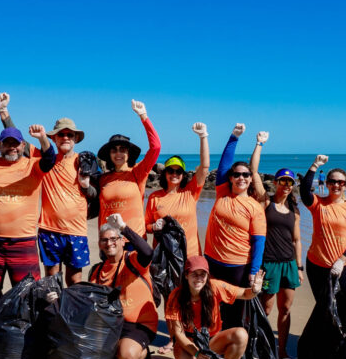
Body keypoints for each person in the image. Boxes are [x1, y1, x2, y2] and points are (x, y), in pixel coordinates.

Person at [0, 93, 56, 306]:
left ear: (23, 146)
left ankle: (23, 322)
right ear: (0, 145)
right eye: (7, 144)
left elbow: (50, 158)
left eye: (16, 144)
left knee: (27, 290)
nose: (12, 147)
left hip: (24, 241)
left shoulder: (33, 166)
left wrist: (42, 138)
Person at [203, 123, 267, 328]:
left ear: (250, 179)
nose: (241, 178)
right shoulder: (222, 192)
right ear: (230, 178)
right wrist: (234, 137)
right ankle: (212, 342)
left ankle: (232, 344)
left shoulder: (255, 207)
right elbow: (223, 165)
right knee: (211, 307)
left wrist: (253, 271)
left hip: (237, 267)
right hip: (212, 261)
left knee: (235, 313)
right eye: (237, 174)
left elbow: (259, 242)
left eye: (246, 175)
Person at [248, 136, 303, 359]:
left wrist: (299, 267)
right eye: (282, 181)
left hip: (289, 264)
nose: (286, 186)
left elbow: (296, 240)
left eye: (290, 183)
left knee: (286, 309)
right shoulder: (266, 202)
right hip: (269, 264)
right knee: (266, 309)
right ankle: (258, 347)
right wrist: (259, 144)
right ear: (276, 183)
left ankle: (282, 352)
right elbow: (253, 171)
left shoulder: (294, 211)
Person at [166, 255, 265, 359]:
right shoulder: (176, 296)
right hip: (189, 340)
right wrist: (197, 353)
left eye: (202, 274)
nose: (199, 279)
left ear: (207, 276)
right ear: (186, 275)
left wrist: (255, 290)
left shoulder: (215, 287)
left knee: (241, 335)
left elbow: (244, 294)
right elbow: (178, 333)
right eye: (194, 274)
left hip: (212, 339)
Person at [299, 155, 346, 335]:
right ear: (327, 184)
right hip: (317, 265)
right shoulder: (318, 204)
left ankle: (345, 344)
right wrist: (315, 165)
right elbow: (304, 191)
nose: (336, 185)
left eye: (340, 182)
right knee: (324, 307)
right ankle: (325, 344)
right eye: (333, 181)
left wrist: (342, 260)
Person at [87, 213, 158, 359]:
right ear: (99, 244)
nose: (109, 243)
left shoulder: (133, 260)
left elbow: (148, 252)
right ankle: (117, 349)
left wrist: (123, 227)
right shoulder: (97, 271)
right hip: (112, 323)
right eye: (104, 240)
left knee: (127, 356)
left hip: (139, 324)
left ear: (122, 241)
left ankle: (144, 356)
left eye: (113, 239)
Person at [34, 117, 97, 284]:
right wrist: (4, 113)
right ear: (54, 138)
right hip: (49, 230)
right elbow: (19, 144)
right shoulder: (46, 160)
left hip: (76, 231)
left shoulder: (84, 161)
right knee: (52, 282)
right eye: (61, 134)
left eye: (70, 135)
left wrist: (86, 186)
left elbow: (96, 195)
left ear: (76, 138)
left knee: (75, 282)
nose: (66, 138)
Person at [144, 122, 211, 258]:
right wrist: (155, 227)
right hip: (164, 256)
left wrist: (203, 136)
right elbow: (147, 227)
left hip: (190, 254)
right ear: (164, 173)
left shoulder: (190, 192)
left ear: (183, 175)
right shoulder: (154, 197)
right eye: (170, 171)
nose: (174, 174)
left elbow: (204, 167)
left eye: (178, 171)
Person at [97, 101, 161, 237]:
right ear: (109, 154)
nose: (118, 153)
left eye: (122, 149)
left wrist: (144, 116)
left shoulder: (138, 172)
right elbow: (102, 212)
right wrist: (101, 238)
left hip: (135, 239)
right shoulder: (103, 179)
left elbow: (156, 147)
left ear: (128, 153)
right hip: (111, 241)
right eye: (114, 150)